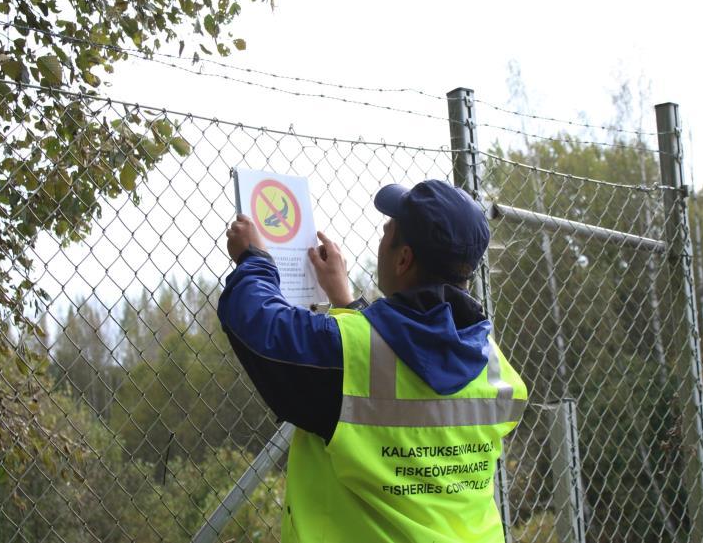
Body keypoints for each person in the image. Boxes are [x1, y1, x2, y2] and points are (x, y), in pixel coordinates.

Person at [218, 179, 527, 543]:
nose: (381, 240)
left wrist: (254, 259)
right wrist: (346, 302)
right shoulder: (494, 365)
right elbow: (406, 358)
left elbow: (260, 326)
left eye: (387, 232)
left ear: (403, 258)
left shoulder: (345, 359)